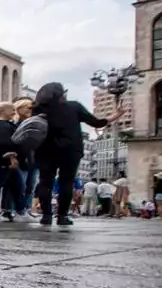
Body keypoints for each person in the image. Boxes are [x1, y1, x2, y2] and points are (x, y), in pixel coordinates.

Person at [31, 82, 119, 225]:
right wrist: (115, 115)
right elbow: (96, 122)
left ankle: (46, 216)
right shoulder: (73, 106)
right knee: (66, 183)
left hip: (45, 150)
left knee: (45, 183)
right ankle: (62, 216)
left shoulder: (38, 109)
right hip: (70, 150)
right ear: (61, 94)